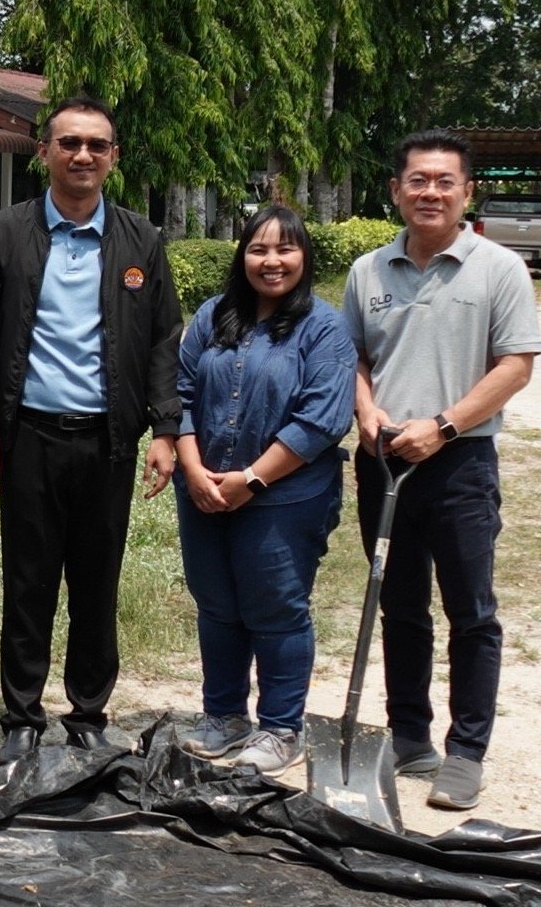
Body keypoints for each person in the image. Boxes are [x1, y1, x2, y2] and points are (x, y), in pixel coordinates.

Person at [0, 96, 182, 765]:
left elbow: (162, 341)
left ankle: (89, 711)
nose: (82, 155)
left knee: (97, 580)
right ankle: (22, 715)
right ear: (45, 153)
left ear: (113, 157)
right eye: (69, 143)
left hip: (108, 440)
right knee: (27, 579)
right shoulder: (6, 232)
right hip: (28, 433)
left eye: (96, 144)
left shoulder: (140, 239)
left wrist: (166, 431)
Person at [343, 129, 540, 810]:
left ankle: (467, 752)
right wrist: (367, 414)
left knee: (471, 611)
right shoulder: (368, 270)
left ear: (466, 192)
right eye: (417, 181)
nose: (430, 192)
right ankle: (409, 737)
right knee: (399, 605)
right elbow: (355, 360)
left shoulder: (499, 269)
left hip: (461, 463)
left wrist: (445, 426)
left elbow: (516, 364)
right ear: (396, 190)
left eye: (444, 181)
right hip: (385, 463)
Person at [173, 206, 356, 773]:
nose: (272, 261)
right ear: (242, 256)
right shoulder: (212, 315)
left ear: (305, 257)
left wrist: (253, 478)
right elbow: (177, 395)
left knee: (276, 609)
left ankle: (281, 727)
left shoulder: (323, 328)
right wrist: (195, 471)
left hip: (285, 497)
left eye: (286, 249)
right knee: (218, 607)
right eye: (259, 249)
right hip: (203, 490)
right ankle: (224, 716)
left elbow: (322, 418)